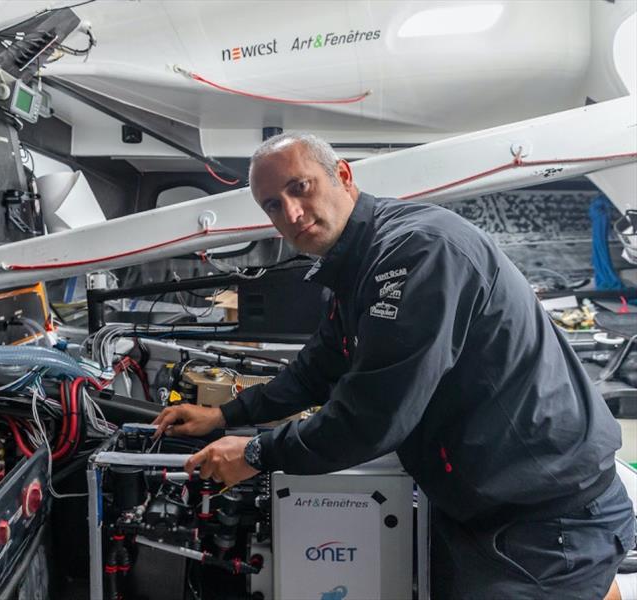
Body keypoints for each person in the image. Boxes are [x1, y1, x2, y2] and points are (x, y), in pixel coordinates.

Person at [152, 132, 636, 598]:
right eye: (273, 205)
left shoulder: (417, 252)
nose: (292, 213)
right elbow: (320, 366)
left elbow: (371, 419)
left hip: (546, 521)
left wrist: (255, 454)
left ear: (341, 174)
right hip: (487, 503)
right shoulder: (359, 262)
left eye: (299, 187)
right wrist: (224, 416)